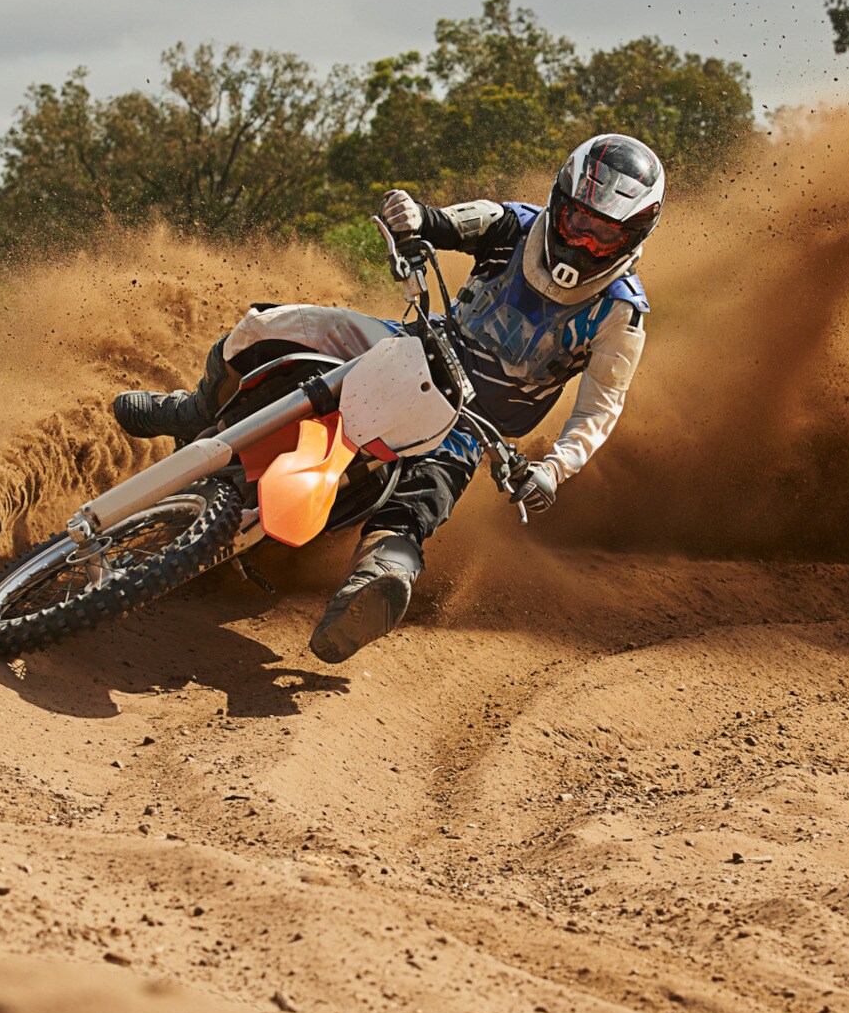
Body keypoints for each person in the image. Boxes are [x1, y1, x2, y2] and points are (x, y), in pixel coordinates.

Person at [112, 133, 664, 663]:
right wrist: (411, 216)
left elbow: (599, 409)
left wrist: (553, 470)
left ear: (634, 237)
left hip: (470, 423)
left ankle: (378, 582)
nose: (584, 242)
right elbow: (443, 221)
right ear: (559, 199)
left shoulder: (621, 313)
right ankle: (198, 409)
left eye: (605, 235)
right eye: (578, 221)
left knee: (421, 501)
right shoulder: (513, 223)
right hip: (413, 346)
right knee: (273, 325)